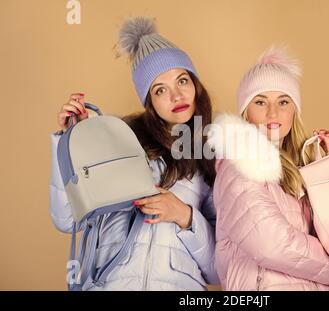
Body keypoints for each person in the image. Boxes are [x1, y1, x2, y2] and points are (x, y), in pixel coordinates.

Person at [49, 17, 218, 290]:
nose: (176, 95)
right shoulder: (114, 142)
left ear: (195, 85)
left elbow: (219, 271)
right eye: (160, 89)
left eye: (182, 80)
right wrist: (72, 142)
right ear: (149, 101)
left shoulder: (213, 156)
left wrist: (185, 216)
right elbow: (67, 219)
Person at [208, 47, 329, 290]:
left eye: (283, 101)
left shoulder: (306, 168)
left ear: (294, 110)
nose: (273, 113)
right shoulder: (239, 164)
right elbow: (271, 244)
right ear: (246, 113)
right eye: (260, 102)